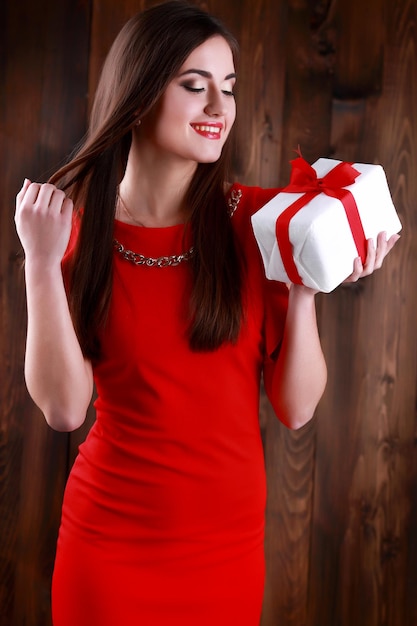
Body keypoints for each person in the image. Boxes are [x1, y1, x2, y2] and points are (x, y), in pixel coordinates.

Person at [14, 1, 399, 625]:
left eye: (229, 89)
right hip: (107, 552)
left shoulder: (262, 222)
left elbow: (296, 408)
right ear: (137, 98)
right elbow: (63, 409)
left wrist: (309, 280)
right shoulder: (73, 239)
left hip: (225, 556)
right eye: (195, 88)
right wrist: (38, 261)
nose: (220, 110)